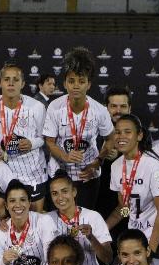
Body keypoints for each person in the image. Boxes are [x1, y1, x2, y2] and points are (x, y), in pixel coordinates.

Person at [43, 47, 114, 209]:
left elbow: (110, 139)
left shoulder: (99, 111)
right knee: (60, 226)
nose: (76, 86)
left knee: (83, 223)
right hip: (59, 175)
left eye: (81, 82)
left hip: (88, 176)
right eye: (71, 81)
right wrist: (65, 156)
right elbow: (50, 142)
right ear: (65, 83)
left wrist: (97, 162)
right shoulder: (54, 107)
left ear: (89, 84)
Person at [0, 62, 49, 211]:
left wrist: (32, 143)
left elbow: (44, 137)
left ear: (23, 83)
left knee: (33, 220)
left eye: (16, 80)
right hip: (3, 170)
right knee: (1, 217)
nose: (11, 83)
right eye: (6, 79)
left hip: (32, 172)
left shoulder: (37, 107)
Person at [105, 115, 159, 262]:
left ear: (139, 135)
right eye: (117, 132)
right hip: (134, 241)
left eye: (127, 132)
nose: (121, 136)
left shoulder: (153, 165)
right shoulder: (115, 166)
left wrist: (151, 249)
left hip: (157, 242)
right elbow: (124, 209)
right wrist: (103, 229)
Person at [47, 171, 113, 265]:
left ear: (74, 192)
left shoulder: (93, 216)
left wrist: (91, 237)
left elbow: (108, 259)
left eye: (64, 191)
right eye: (55, 193)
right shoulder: (46, 219)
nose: (60, 198)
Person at [96, 86, 133, 220]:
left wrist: (121, 156)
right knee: (102, 232)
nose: (118, 111)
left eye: (123, 106)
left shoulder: (141, 133)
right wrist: (101, 155)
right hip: (99, 195)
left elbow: (146, 160)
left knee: (125, 229)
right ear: (106, 108)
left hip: (129, 196)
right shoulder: (94, 131)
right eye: (113, 106)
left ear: (130, 108)